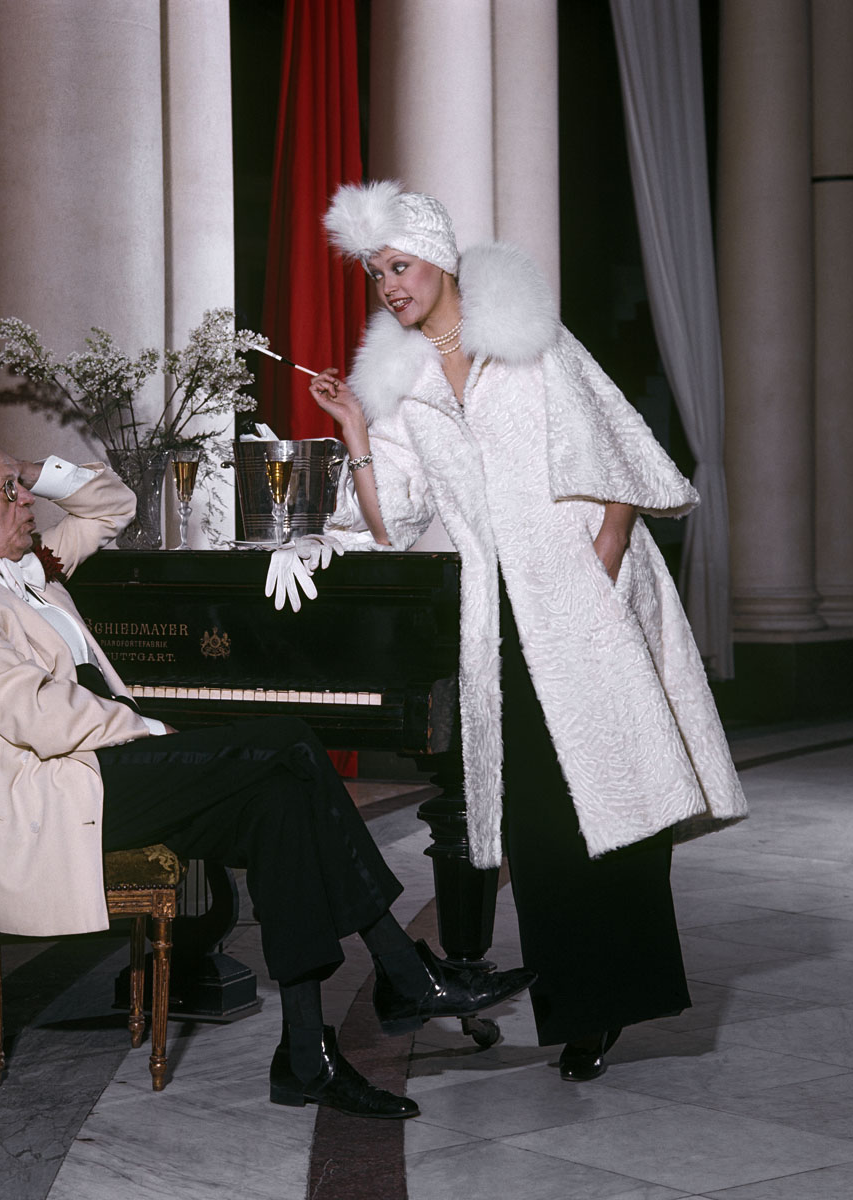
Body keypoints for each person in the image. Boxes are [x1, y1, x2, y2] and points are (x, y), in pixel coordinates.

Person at [0, 433, 535, 1118]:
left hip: (100, 770)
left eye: (20, 484)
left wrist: (25, 465)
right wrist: (149, 729)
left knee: (278, 806)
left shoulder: (31, 563)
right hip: (61, 793)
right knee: (289, 745)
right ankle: (404, 973)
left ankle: (307, 1052)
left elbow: (112, 503)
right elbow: (37, 718)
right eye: (7, 491)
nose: (25, 497)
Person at [308, 180, 748, 1082]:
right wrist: (354, 429)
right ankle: (577, 1008)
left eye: (398, 265)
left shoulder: (529, 343)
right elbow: (390, 518)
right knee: (544, 816)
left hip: (585, 586)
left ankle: (613, 1000)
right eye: (373, 273)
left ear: (437, 257)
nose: (387, 286)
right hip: (495, 610)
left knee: (617, 795)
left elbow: (618, 448)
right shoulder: (402, 385)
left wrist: (607, 552)